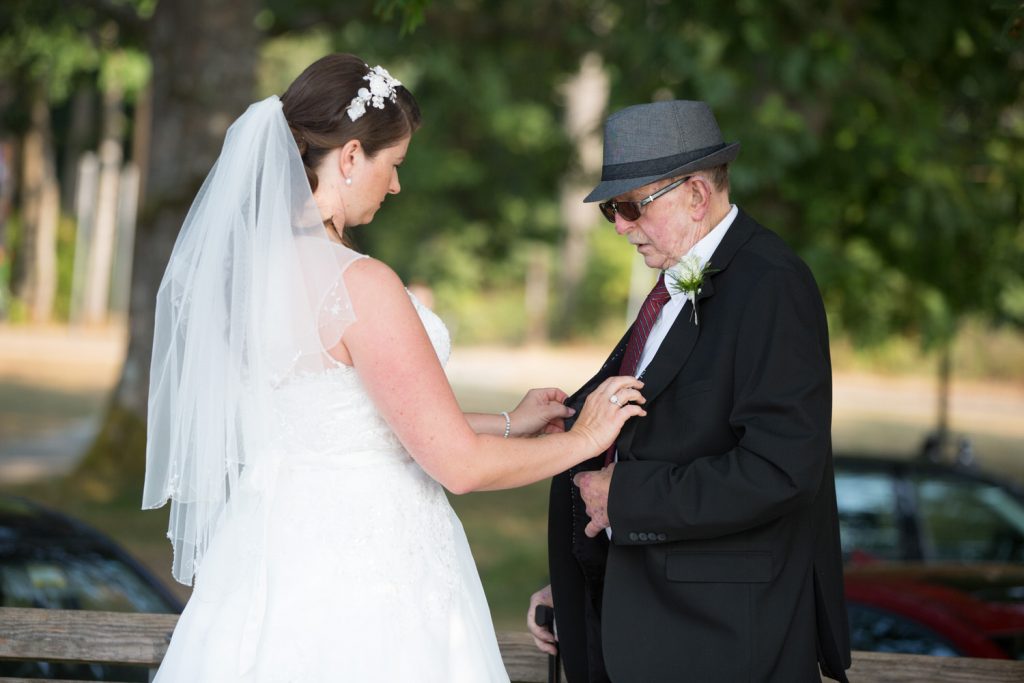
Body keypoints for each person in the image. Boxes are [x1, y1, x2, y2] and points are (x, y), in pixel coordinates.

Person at [142, 53, 645, 683]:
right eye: (394, 164)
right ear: (351, 157)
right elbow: (457, 465)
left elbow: (355, 418)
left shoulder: (242, 279)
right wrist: (585, 440)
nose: (397, 185)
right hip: (371, 570)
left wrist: (510, 422)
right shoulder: (361, 284)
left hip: (272, 551)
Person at [526, 100, 851, 682]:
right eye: (611, 212)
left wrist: (625, 498)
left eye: (630, 206)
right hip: (643, 616)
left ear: (697, 196)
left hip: (719, 640)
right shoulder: (676, 283)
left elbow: (781, 468)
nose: (621, 226)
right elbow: (663, 434)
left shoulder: (772, 283)